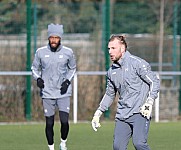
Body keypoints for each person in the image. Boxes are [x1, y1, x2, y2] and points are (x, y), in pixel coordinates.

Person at [91, 34, 160, 150]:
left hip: (140, 112)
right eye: (108, 48)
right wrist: (98, 112)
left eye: (113, 48)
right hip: (122, 115)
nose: (110, 52)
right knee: (118, 147)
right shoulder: (111, 72)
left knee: (139, 143)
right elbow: (109, 94)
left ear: (122, 48)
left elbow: (154, 82)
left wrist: (149, 102)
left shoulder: (137, 63)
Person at [31, 23, 76, 150]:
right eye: (51, 37)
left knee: (64, 121)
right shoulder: (40, 52)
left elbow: (72, 69)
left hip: (63, 92)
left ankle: (63, 143)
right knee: (49, 123)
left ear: (60, 38)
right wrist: (38, 78)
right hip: (47, 92)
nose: (54, 40)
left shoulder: (68, 52)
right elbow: (34, 68)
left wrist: (67, 81)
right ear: (48, 38)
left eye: (56, 37)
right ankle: (51, 148)